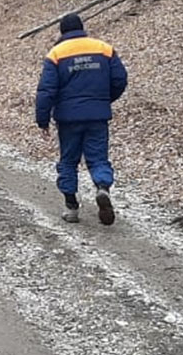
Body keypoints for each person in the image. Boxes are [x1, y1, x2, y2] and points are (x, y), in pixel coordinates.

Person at [35, 13, 128, 225]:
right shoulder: (104, 49)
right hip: (98, 116)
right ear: (81, 28)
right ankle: (102, 187)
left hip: (68, 120)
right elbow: (120, 79)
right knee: (98, 158)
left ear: (62, 32)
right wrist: (103, 99)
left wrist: (42, 120)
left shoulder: (56, 54)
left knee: (68, 161)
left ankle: (71, 208)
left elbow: (46, 91)